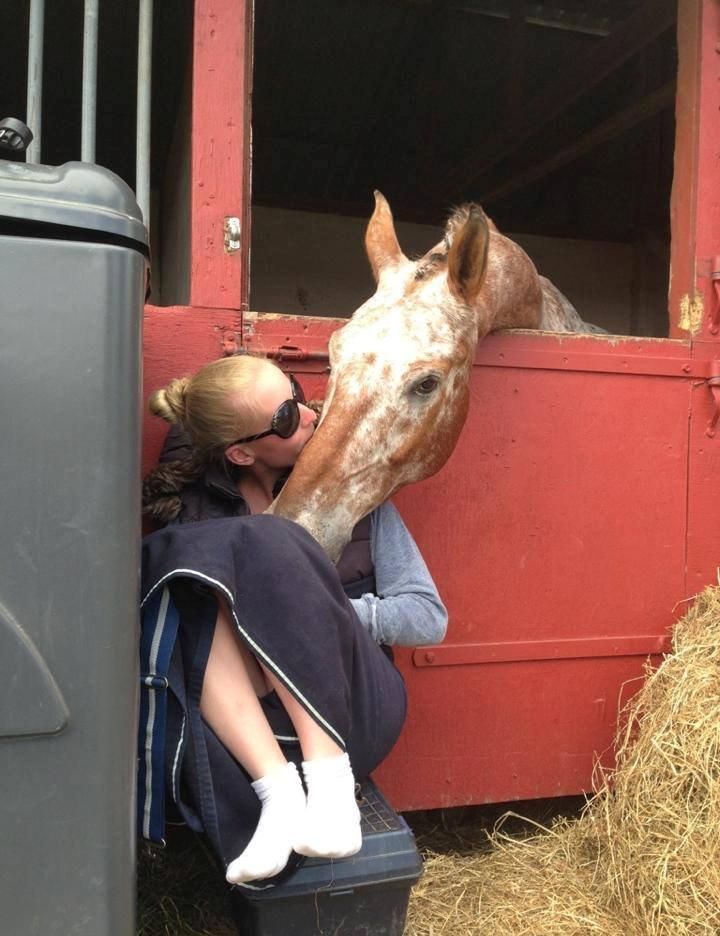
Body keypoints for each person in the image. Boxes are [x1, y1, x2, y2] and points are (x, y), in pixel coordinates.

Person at [141, 354, 447, 886]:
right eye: (286, 416)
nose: (309, 414)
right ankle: (278, 796)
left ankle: (329, 786)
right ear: (239, 451)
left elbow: (427, 617)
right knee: (187, 568)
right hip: (248, 736)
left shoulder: (356, 493)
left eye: (298, 393)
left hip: (351, 709)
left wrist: (311, 609)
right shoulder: (198, 517)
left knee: (267, 545)